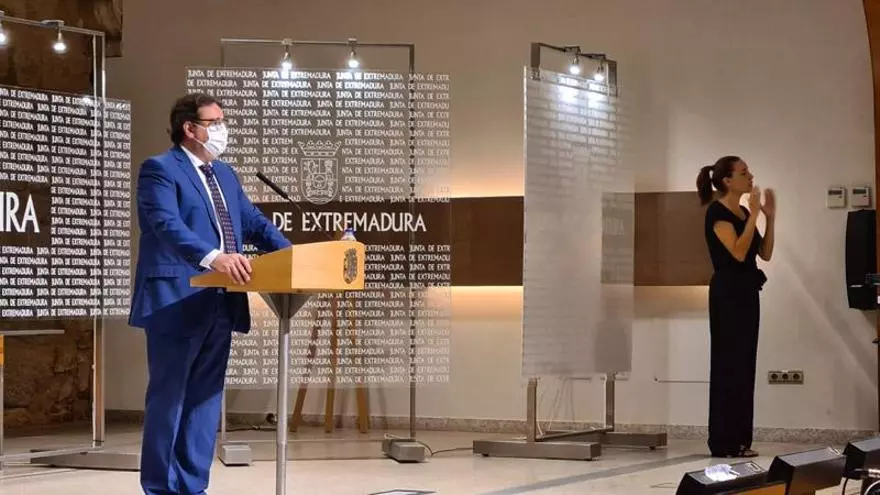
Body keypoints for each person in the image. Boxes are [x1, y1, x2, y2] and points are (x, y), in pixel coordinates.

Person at [128, 93, 291, 494]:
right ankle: (160, 488)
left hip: (220, 300)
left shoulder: (225, 175)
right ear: (190, 128)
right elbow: (165, 224)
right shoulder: (160, 169)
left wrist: (294, 256)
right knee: (170, 398)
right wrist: (214, 257)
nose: (222, 129)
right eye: (214, 122)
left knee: (205, 400)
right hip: (176, 299)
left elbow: (254, 223)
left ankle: (193, 486)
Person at [696, 155, 775, 458]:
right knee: (727, 364)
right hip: (727, 294)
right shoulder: (717, 212)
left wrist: (769, 218)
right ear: (727, 180)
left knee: (745, 364)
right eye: (744, 172)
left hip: (747, 292)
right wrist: (754, 214)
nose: (750, 176)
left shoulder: (743, 211)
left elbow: (764, 253)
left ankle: (742, 439)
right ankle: (724, 441)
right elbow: (738, 253)